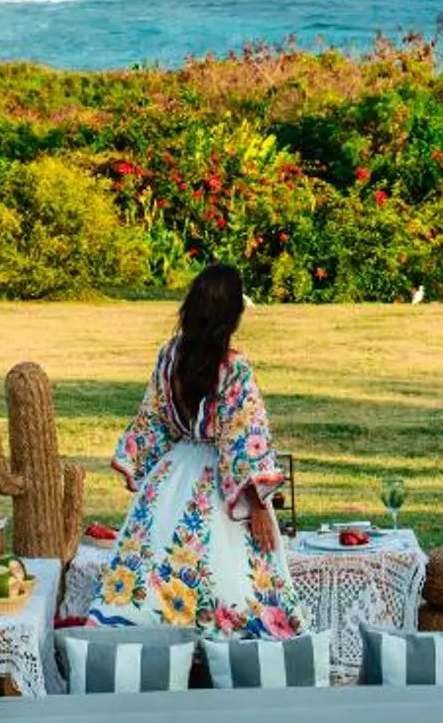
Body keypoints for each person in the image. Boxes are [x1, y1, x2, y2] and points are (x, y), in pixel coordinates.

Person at [85, 262, 301, 637]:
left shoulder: (170, 356)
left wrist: (143, 467)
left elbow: (153, 418)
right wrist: (259, 506)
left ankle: (161, 642)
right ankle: (227, 647)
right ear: (232, 315)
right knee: (233, 577)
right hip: (217, 480)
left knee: (158, 568)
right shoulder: (234, 367)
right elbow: (242, 438)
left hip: (173, 474)